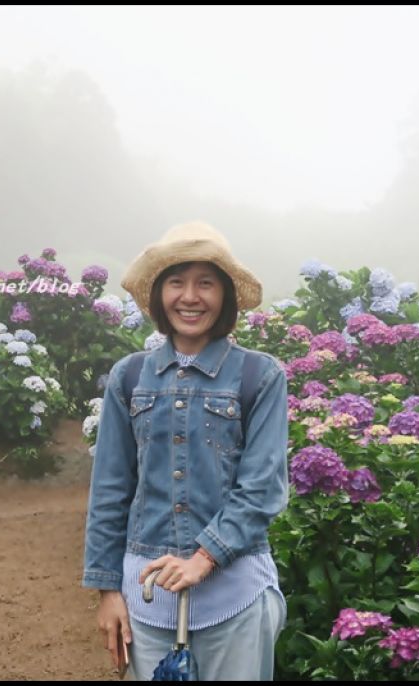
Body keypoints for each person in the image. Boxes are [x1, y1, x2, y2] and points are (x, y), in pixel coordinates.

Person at [82, 222, 289, 680]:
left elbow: (263, 487)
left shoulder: (260, 377)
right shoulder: (129, 377)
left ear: (225, 296)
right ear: (159, 294)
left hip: (234, 597)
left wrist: (204, 558)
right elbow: (110, 489)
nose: (189, 297)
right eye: (176, 281)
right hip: (147, 598)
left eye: (205, 283)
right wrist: (107, 591)